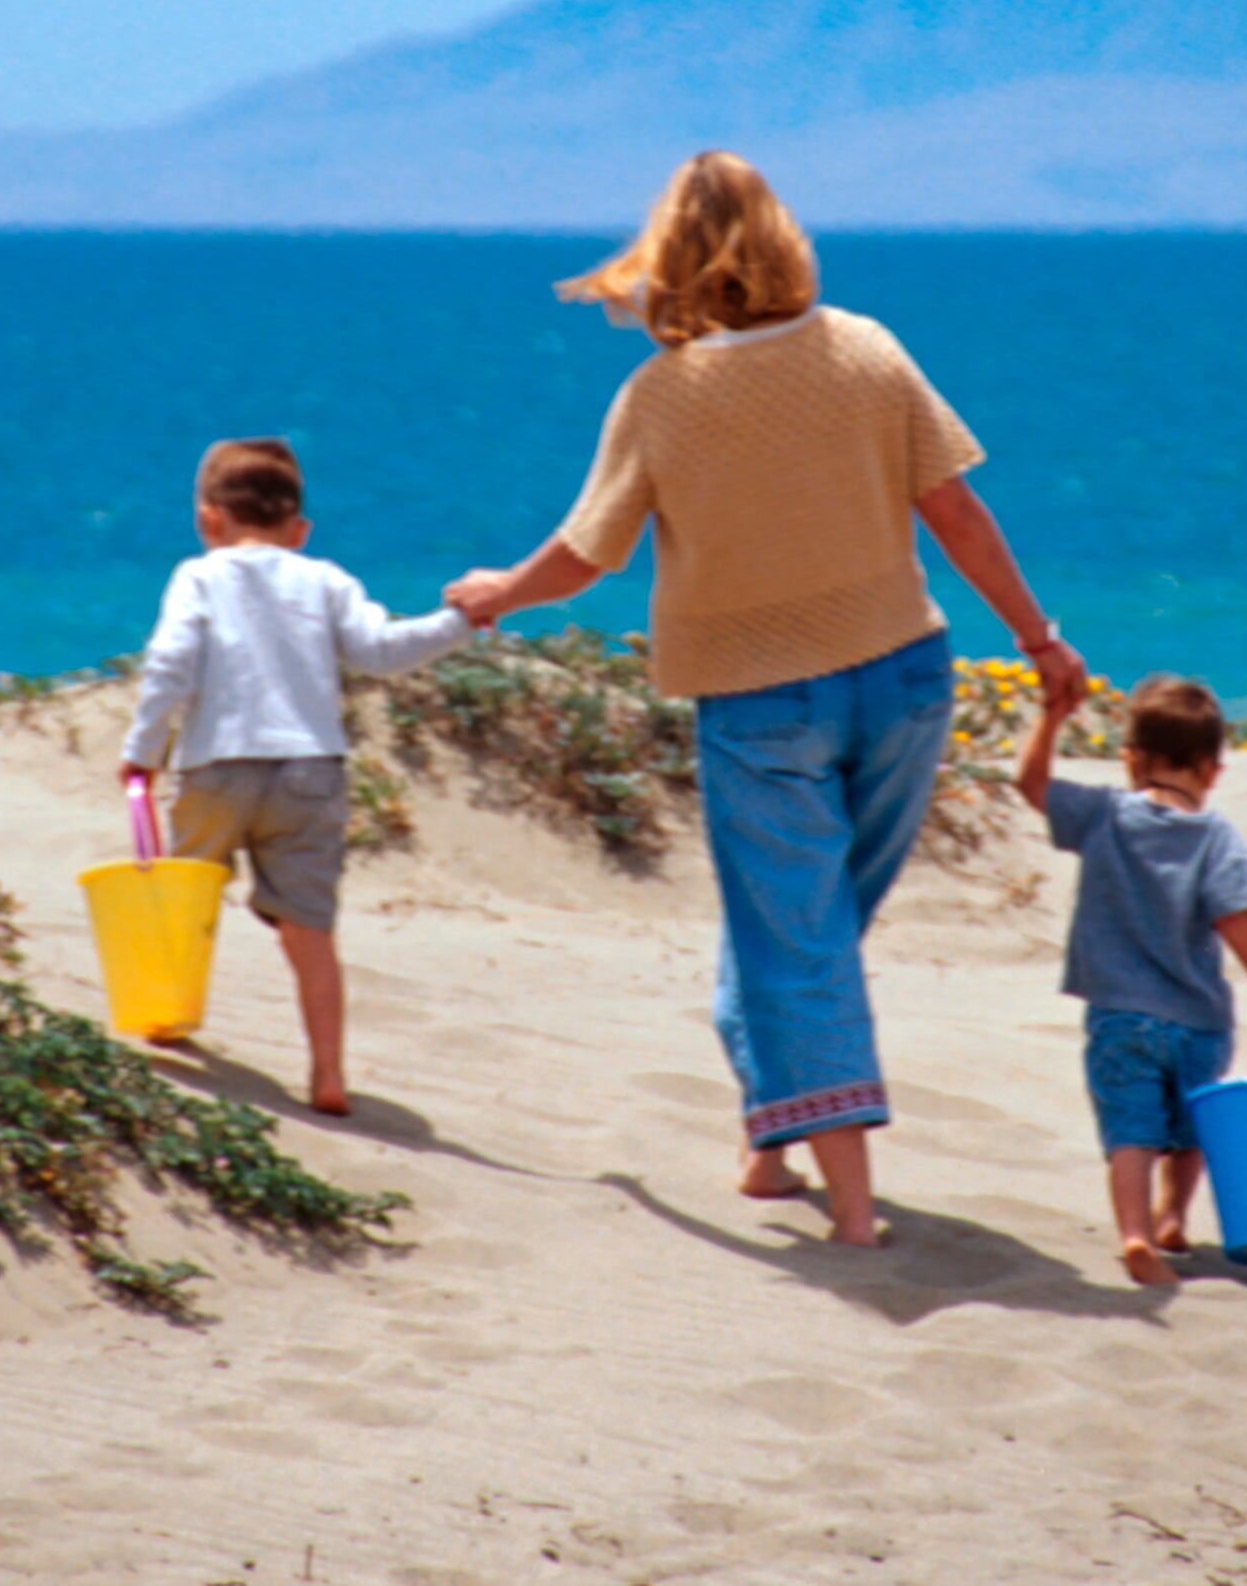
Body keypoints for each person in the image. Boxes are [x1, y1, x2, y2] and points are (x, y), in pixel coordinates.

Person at [444, 151, 1086, 1247]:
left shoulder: (660, 394)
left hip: (760, 702)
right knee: (808, 925)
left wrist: (498, 591)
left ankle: (852, 1213)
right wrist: (1037, 637)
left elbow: (587, 554)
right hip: (905, 680)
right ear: (784, 239)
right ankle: (770, 1146)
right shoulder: (866, 348)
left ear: (667, 261)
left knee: (795, 939)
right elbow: (956, 513)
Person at [120, 436, 472, 1115]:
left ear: (208, 519)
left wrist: (143, 749)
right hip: (310, 772)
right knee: (310, 930)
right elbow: (382, 651)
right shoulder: (326, 579)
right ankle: (328, 1073)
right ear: (300, 530)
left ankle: (166, 1017)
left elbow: (170, 663)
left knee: (184, 901)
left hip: (216, 767)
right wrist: (460, 621)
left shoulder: (199, 575)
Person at [1016, 669, 1247, 1283]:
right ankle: (1173, 1217)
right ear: (1212, 771)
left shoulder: (1103, 814)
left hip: (1119, 1016)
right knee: (1193, 1130)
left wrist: (1052, 717)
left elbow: (1031, 784)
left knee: (1131, 1134)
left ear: (1131, 760)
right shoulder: (1216, 836)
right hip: (1199, 1020)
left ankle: (1136, 1234)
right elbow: (1233, 915)